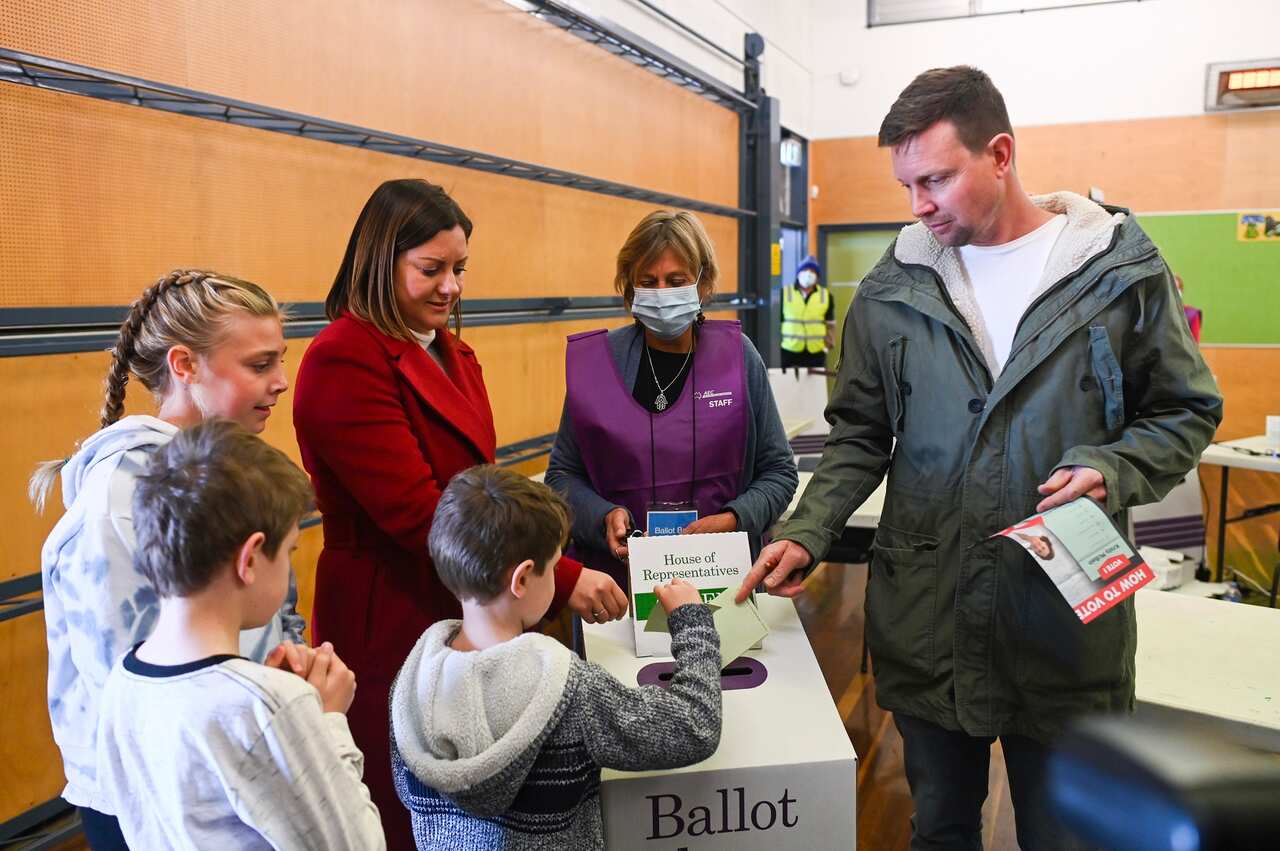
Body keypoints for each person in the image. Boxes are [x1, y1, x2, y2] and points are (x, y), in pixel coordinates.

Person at [736, 66, 1222, 850]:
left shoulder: (1117, 276)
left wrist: (1115, 467)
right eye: (906, 185)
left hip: (1063, 631)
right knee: (942, 828)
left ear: (1000, 154)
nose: (918, 205)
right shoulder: (894, 290)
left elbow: (1185, 410)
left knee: (1063, 835)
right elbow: (860, 433)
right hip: (930, 615)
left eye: (935, 178)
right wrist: (808, 528)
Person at [292, 178, 627, 848]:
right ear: (380, 261)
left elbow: (481, 489)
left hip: (460, 597)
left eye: (460, 269)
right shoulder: (343, 360)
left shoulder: (450, 351)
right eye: (431, 269)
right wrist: (556, 580)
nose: (451, 287)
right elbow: (422, 515)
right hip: (390, 609)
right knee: (402, 806)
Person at [30, 270, 306, 850]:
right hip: (152, 795)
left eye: (280, 360)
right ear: (184, 365)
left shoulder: (233, 468)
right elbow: (130, 687)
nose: (282, 382)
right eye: (259, 366)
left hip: (235, 771)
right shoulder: (116, 501)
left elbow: (275, 606)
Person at [390, 465, 722, 849]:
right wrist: (691, 620)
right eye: (554, 566)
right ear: (523, 578)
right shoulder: (569, 690)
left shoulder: (408, 686)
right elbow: (695, 725)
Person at [94, 420, 385, 849]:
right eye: (288, 552)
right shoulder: (266, 705)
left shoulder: (122, 682)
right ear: (250, 558)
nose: (288, 568)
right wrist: (327, 722)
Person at [545, 209, 797, 588]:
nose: (662, 294)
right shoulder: (597, 365)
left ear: (703, 282)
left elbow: (779, 471)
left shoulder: (738, 358)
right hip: (614, 586)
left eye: (676, 280)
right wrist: (601, 516)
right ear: (630, 288)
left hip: (718, 576)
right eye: (648, 281)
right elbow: (562, 476)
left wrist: (734, 518)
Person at [779, 254, 835, 370]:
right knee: (788, 386)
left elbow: (831, 325)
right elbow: (776, 323)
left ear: (817, 276)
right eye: (805, 270)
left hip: (816, 353)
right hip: (789, 352)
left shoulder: (825, 295)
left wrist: (827, 347)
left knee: (815, 387)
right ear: (798, 273)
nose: (808, 274)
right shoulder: (784, 293)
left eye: (812, 271)